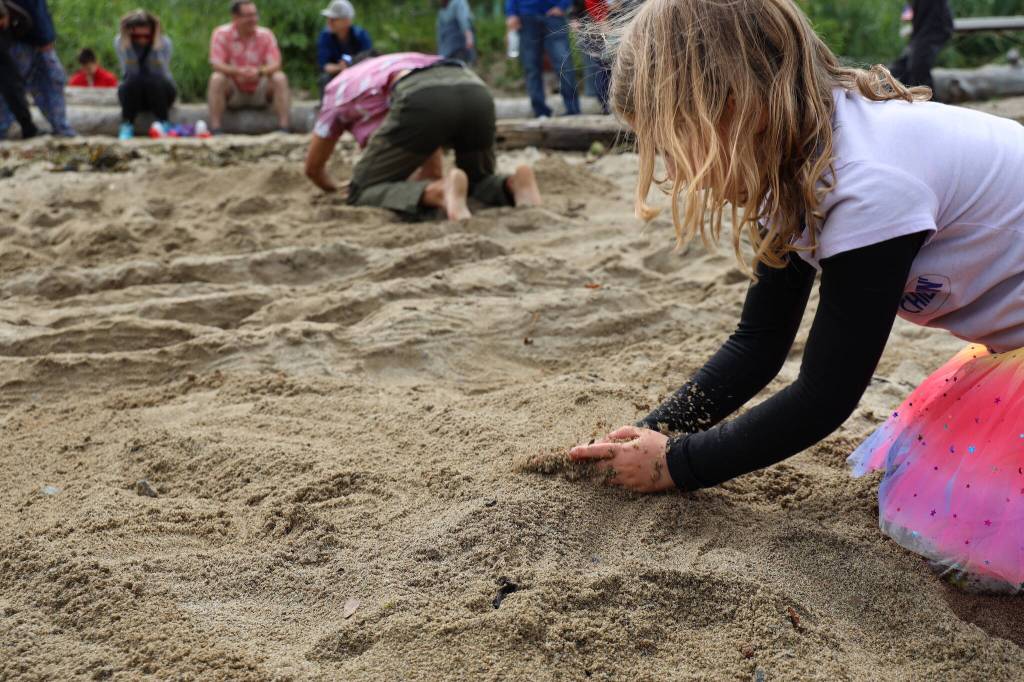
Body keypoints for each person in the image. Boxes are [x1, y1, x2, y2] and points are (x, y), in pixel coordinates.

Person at [569, 0, 1024, 592]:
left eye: (672, 141)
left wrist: (674, 465)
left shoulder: (869, 179)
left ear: (730, 105)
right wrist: (649, 431)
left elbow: (825, 396)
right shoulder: (791, 164)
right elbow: (758, 344)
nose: (676, 174)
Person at [305, 53, 542, 221]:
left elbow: (313, 168)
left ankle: (440, 192)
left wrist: (333, 186)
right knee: (477, 179)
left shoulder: (340, 87)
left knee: (361, 191)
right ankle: (514, 184)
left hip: (420, 94)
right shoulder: (399, 61)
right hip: (473, 87)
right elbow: (425, 139)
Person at [208, 0, 289, 134]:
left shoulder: (266, 34)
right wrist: (237, 72)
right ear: (235, 17)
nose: (253, 19)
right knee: (216, 78)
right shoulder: (221, 33)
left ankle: (284, 127)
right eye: (248, 16)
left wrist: (259, 71)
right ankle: (216, 128)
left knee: (279, 78)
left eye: (254, 15)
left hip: (260, 86)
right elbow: (216, 63)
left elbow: (276, 63)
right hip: (233, 87)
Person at [0, 0, 74, 138]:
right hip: (18, 39)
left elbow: (40, 9)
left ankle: (61, 127)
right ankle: (4, 129)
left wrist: (46, 37)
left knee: (53, 82)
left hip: (39, 39)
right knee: (11, 86)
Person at [506, 0, 580, 118]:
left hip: (554, 16)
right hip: (526, 17)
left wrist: (563, 5)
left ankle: (573, 110)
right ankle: (540, 111)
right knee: (531, 67)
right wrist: (511, 13)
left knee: (564, 64)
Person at [113, 10, 176, 140]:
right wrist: (128, 48)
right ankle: (127, 124)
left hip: (161, 92)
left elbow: (159, 72)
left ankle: (164, 123)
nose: (142, 40)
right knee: (132, 80)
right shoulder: (121, 42)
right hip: (134, 93)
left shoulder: (164, 42)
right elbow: (130, 72)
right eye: (137, 36)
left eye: (146, 36)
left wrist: (156, 47)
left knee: (153, 79)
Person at [890, 0, 954, 92]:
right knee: (903, 66)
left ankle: (927, 100)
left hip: (935, 27)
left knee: (918, 67)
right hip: (921, 28)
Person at [317, 1, 373, 96]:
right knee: (324, 79)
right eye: (328, 19)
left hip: (358, 74)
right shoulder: (325, 36)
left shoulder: (361, 36)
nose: (329, 22)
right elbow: (325, 65)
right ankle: (326, 108)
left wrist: (351, 66)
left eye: (333, 19)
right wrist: (340, 67)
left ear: (346, 21)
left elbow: (370, 61)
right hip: (336, 74)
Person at [0, 1, 38, 139]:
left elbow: (25, 21)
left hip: (5, 60)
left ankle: (28, 127)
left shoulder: (8, 17)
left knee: (14, 91)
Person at [571, 0, 611, 114]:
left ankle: (607, 103)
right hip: (595, 27)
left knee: (606, 68)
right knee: (600, 67)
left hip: (608, 24)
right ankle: (605, 104)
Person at [437, 0, 475, 64]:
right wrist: (469, 37)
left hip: (445, 52)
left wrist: (440, 53)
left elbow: (439, 35)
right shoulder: (459, 2)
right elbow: (464, 21)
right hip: (459, 48)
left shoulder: (442, 10)